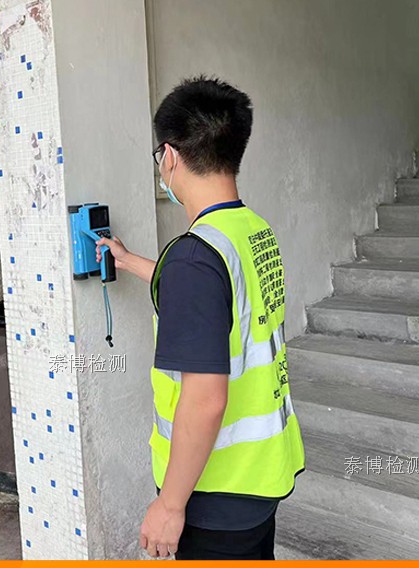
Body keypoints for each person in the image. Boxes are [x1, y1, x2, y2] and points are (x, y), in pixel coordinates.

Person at [96, 77, 305, 560]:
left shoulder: (195, 258)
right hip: (260, 476)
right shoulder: (250, 230)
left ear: (169, 156)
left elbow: (207, 400)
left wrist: (170, 505)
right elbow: (214, 301)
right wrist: (130, 261)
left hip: (215, 492)